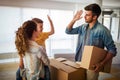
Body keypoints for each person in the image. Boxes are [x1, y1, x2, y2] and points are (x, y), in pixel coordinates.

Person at [65, 3, 117, 80]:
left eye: (87, 15)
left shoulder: (102, 30)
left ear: (95, 17)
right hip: (79, 61)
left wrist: (101, 64)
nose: (84, 17)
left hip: (92, 65)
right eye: (85, 14)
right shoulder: (83, 27)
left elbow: (112, 50)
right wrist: (74, 20)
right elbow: (68, 31)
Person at [16, 15, 54, 80]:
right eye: (40, 27)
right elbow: (47, 63)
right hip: (37, 63)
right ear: (34, 30)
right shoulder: (38, 48)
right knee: (47, 68)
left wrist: (51, 22)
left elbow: (52, 32)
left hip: (33, 65)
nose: (42, 28)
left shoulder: (23, 43)